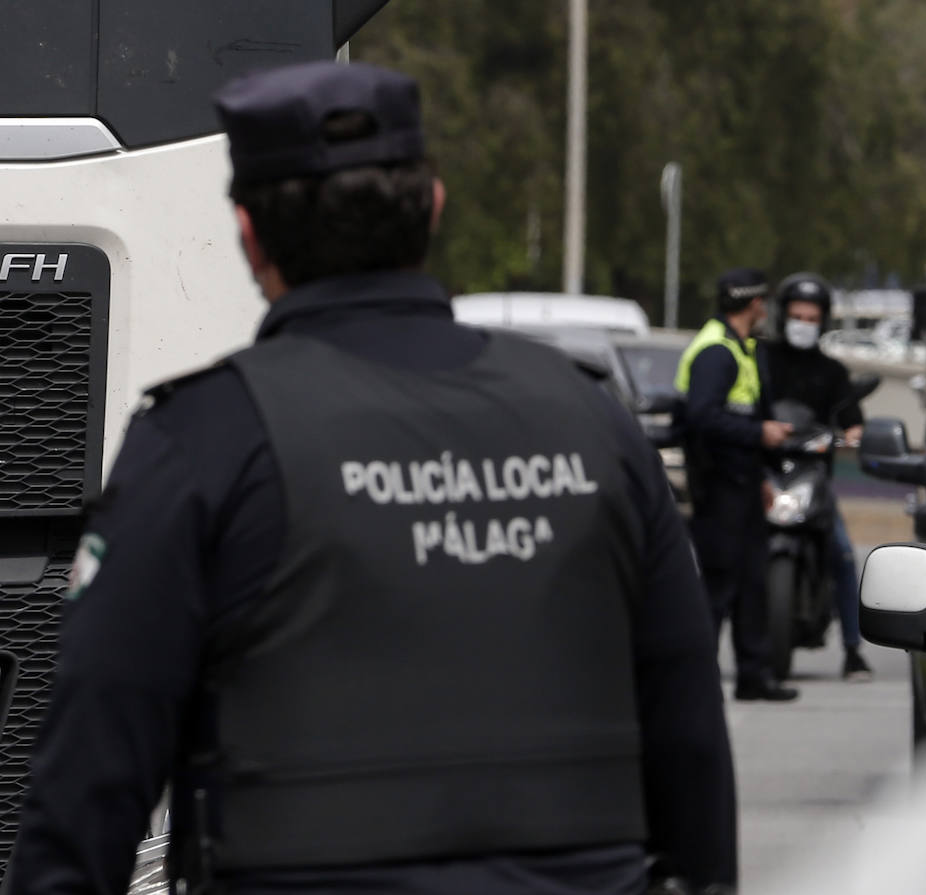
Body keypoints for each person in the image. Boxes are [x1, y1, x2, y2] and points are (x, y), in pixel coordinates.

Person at [8, 61, 737, 895]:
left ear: (249, 236)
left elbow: (88, 780)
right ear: (433, 206)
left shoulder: (201, 444)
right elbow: (691, 741)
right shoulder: (594, 424)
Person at [675, 269, 799, 702]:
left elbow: (740, 412)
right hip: (718, 489)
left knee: (752, 586)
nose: (765, 309)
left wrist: (763, 474)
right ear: (752, 305)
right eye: (762, 302)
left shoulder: (741, 348)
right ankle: (697, 683)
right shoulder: (716, 352)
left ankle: (754, 676)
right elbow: (701, 417)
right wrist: (759, 434)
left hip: (743, 486)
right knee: (718, 589)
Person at [759, 273, 873, 682]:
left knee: (843, 554)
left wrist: (854, 434)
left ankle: (853, 650)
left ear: (822, 321)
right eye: (796, 316)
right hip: (766, 474)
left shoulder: (832, 372)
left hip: (813, 479)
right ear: (782, 316)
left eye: (811, 317)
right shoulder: (762, 360)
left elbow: (852, 420)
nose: (803, 323)